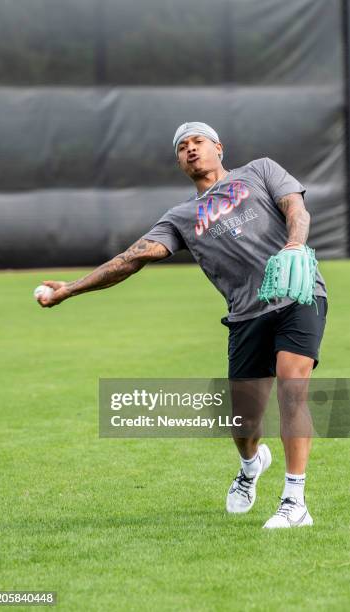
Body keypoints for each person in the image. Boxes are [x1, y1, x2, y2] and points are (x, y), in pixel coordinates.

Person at [37, 121, 327, 529]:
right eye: (182, 146)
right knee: (244, 424)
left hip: (299, 294)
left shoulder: (260, 171)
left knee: (291, 388)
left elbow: (295, 208)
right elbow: (129, 260)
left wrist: (295, 243)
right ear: (179, 161)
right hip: (246, 315)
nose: (190, 149)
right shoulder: (181, 217)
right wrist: (69, 289)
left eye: (198, 142)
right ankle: (250, 466)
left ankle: (295, 502)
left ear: (219, 148)